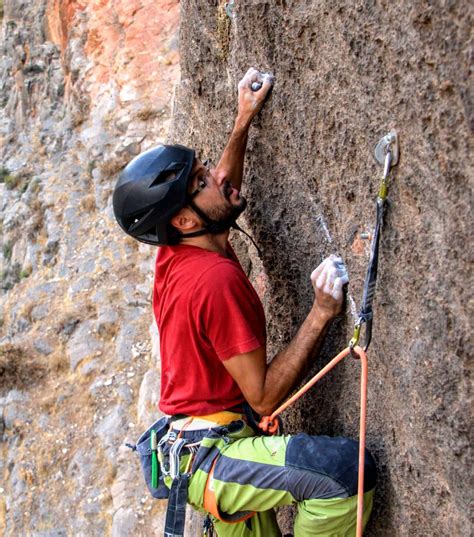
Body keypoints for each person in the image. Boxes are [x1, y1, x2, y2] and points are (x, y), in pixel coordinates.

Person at [113, 68, 376, 537]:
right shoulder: (212, 281)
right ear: (186, 222)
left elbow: (220, 198)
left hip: (200, 451)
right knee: (344, 476)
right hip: (217, 459)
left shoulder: (181, 247)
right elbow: (264, 395)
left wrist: (242, 123)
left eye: (203, 172)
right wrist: (320, 312)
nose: (215, 177)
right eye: (200, 180)